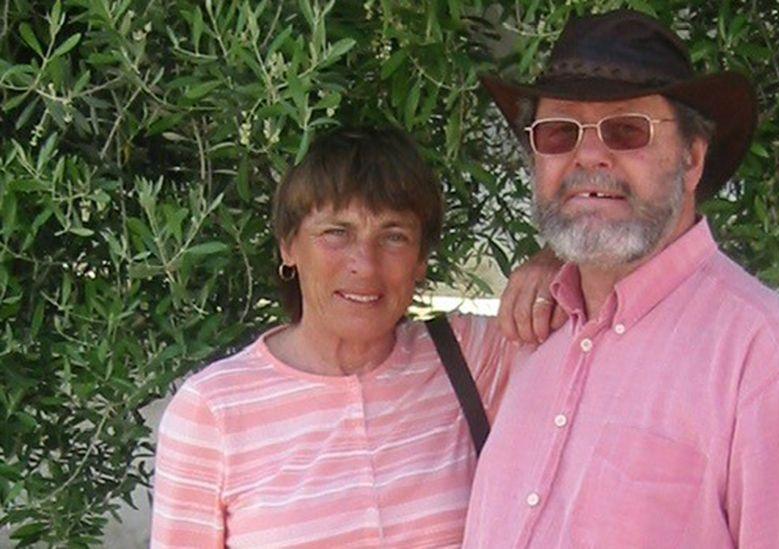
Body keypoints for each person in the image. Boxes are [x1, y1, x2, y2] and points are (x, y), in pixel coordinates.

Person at [463, 9, 779, 548]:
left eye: (626, 130)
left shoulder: (771, 361)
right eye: (559, 132)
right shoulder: (539, 339)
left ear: (692, 158)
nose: (588, 156)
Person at [150, 127, 559, 547]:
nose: (364, 264)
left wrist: (555, 259)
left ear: (420, 261)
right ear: (289, 247)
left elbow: (607, 313)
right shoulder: (213, 410)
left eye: (394, 236)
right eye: (336, 233)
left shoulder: (470, 356)